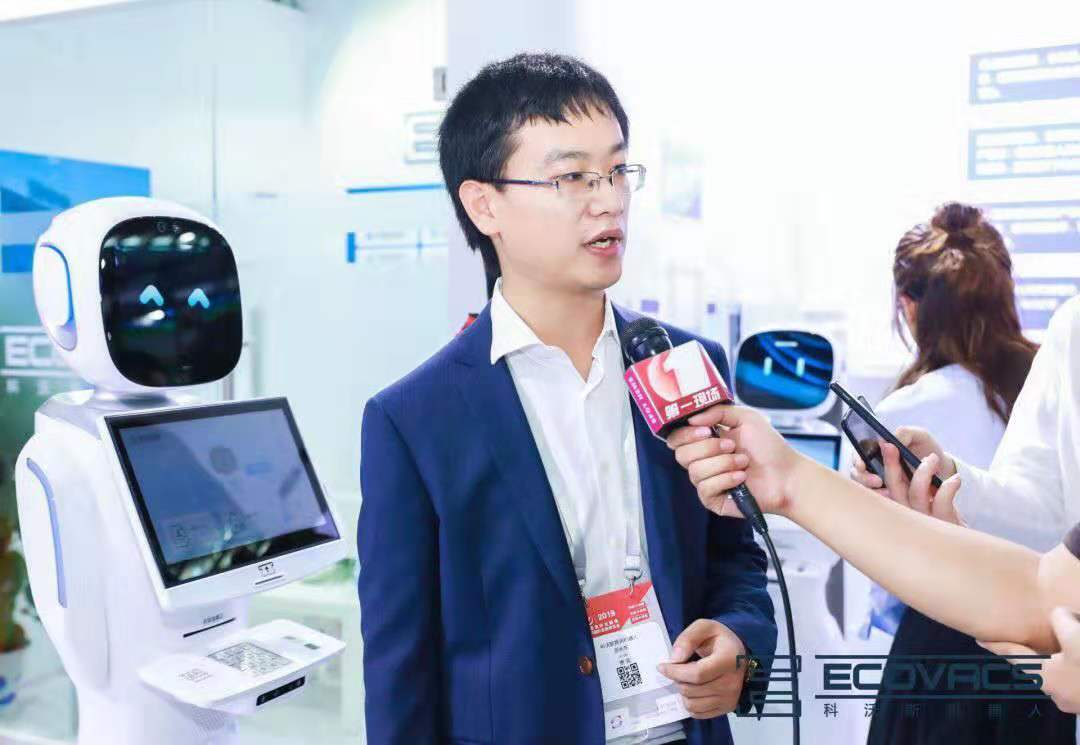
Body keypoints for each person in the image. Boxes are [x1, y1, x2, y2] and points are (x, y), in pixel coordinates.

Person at [357, 53, 776, 745]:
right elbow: (401, 668)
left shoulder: (682, 364)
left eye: (617, 170)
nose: (609, 200)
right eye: (572, 177)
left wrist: (740, 639)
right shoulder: (414, 420)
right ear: (484, 204)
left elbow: (735, 556)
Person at [662, 294, 1080, 714]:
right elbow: (1044, 562)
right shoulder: (1071, 326)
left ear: (909, 307)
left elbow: (1042, 593)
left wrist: (791, 482)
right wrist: (949, 480)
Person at [852, 202, 1072, 743]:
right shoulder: (1061, 344)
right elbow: (1043, 511)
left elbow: (880, 581)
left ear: (909, 308)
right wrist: (953, 477)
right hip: (1049, 650)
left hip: (945, 652)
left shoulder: (904, 409)